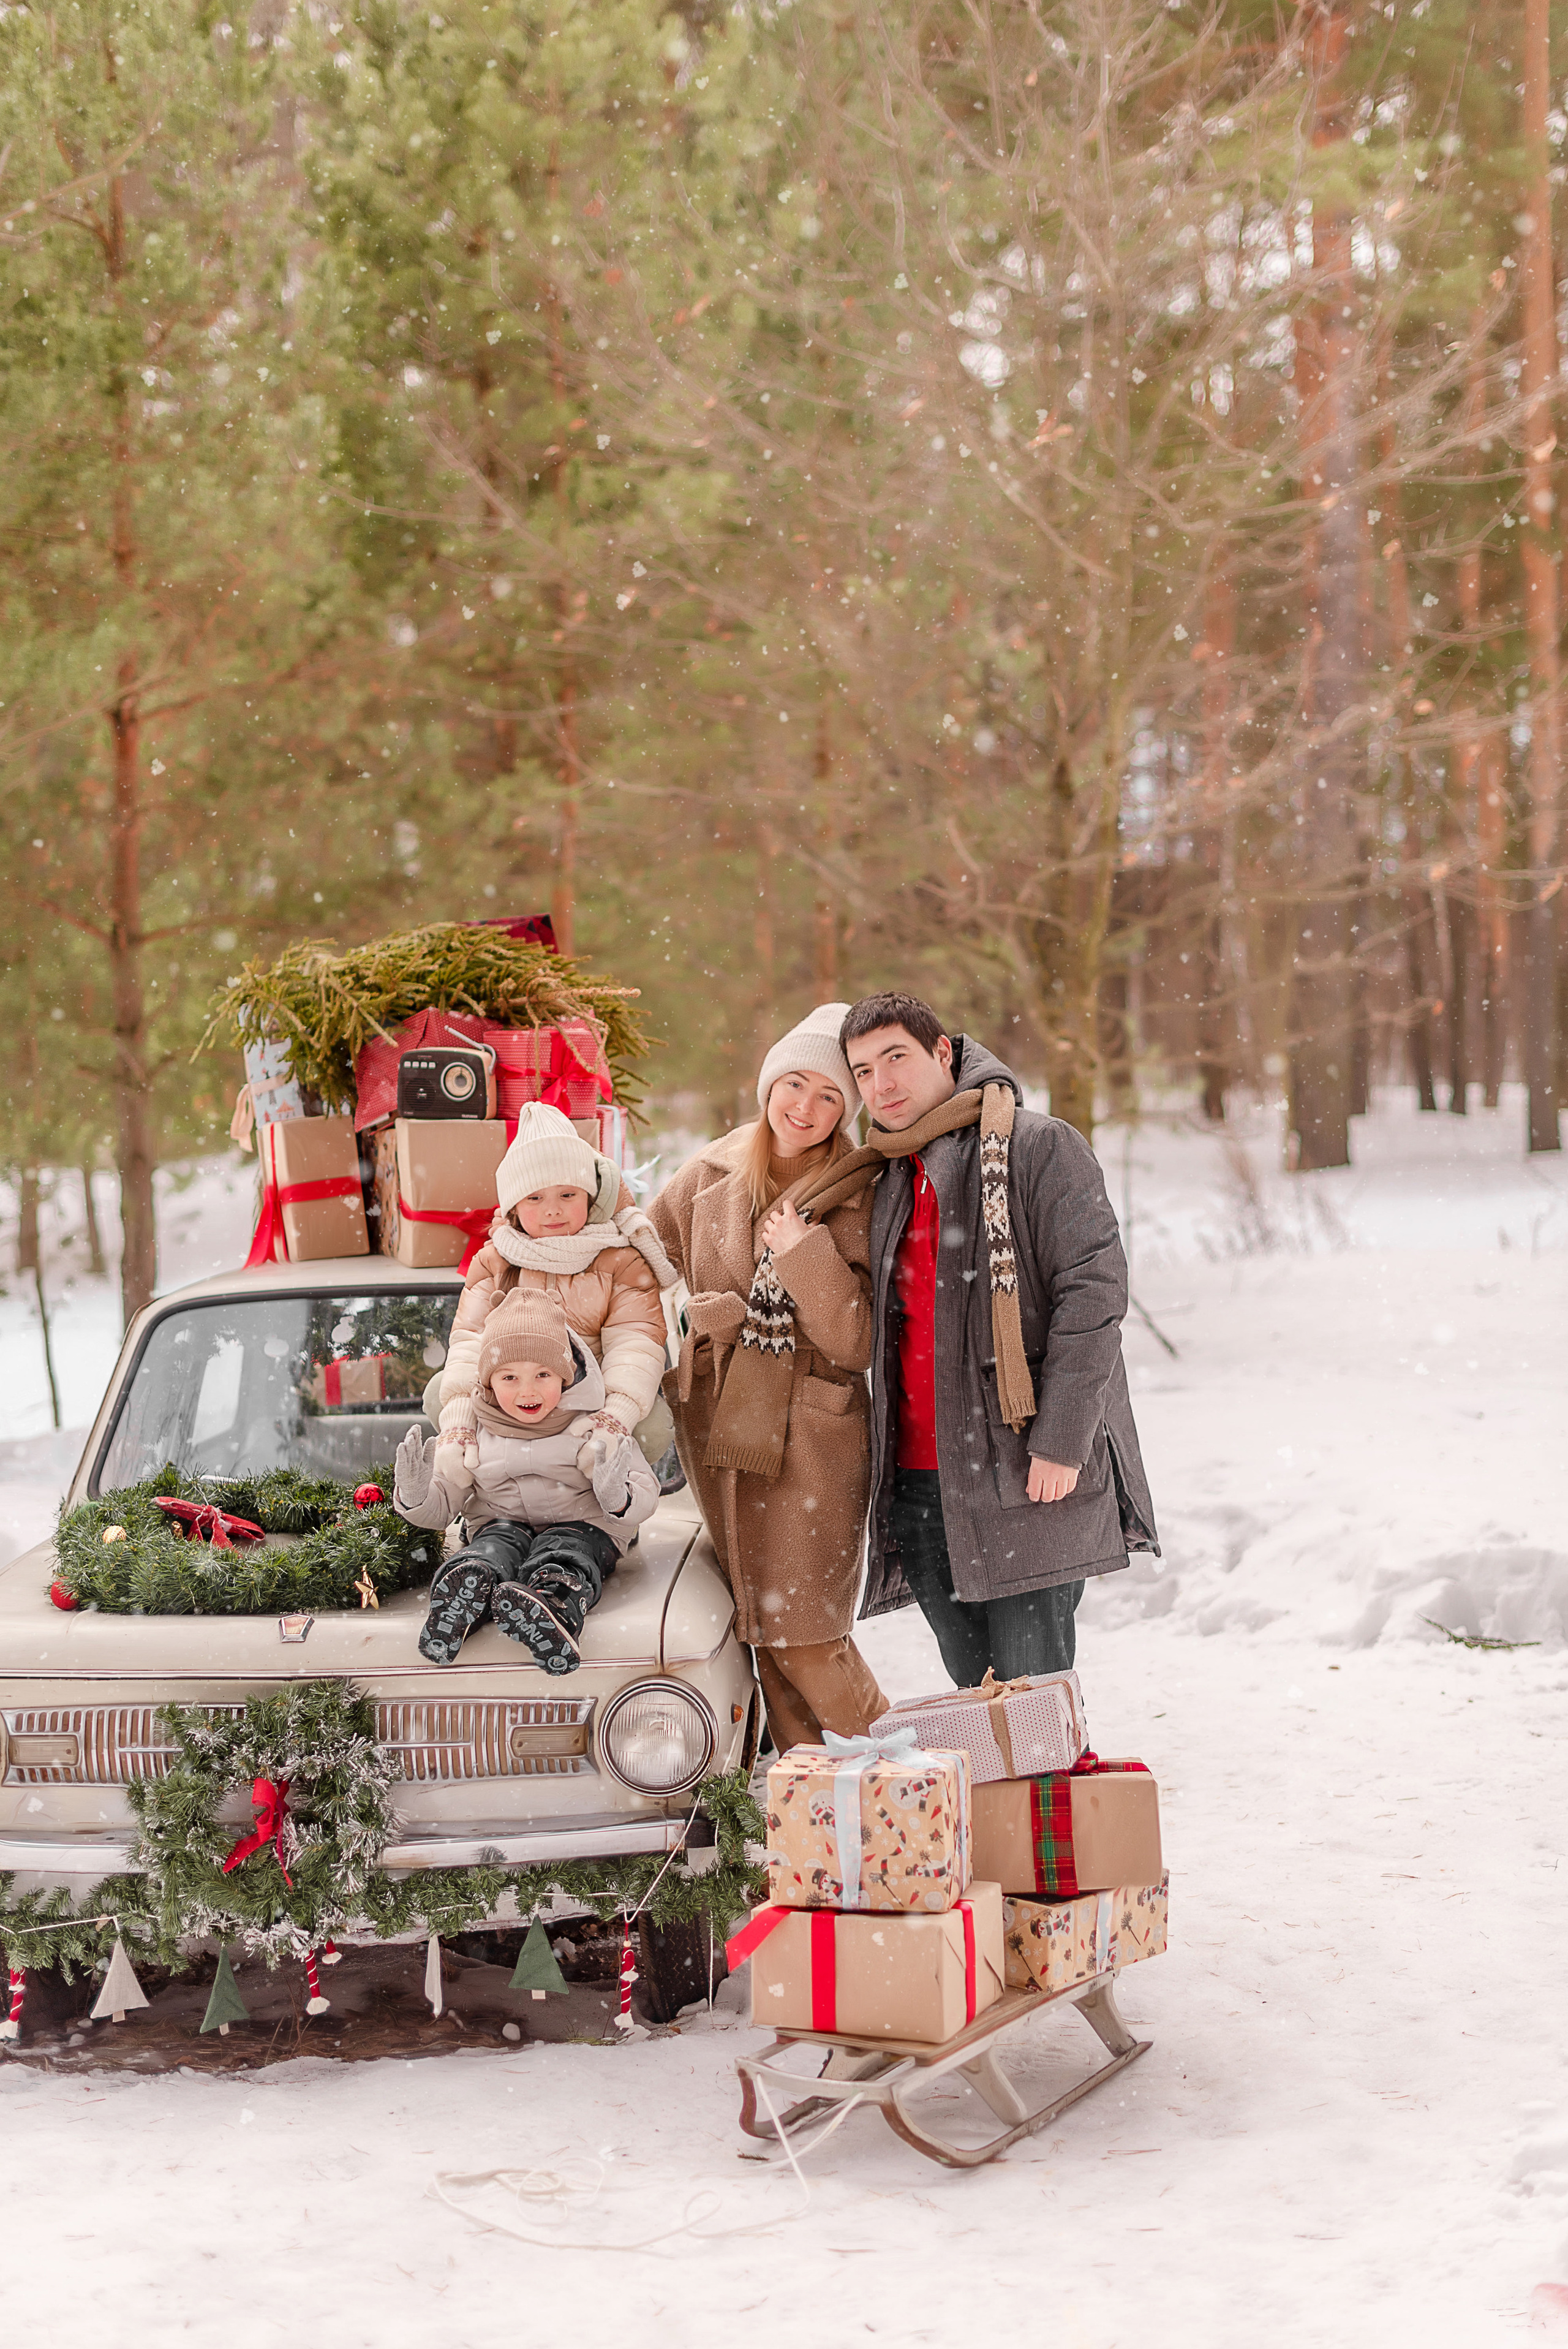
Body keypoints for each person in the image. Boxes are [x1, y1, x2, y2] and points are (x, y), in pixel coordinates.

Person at [838, 990, 1159, 1687]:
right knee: (978, 1698)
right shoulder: (888, 1173)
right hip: (920, 1485)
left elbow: (1094, 1294)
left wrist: (1061, 1439)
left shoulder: (1038, 1147)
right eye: (862, 1071)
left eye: (895, 1058)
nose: (880, 1084)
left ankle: (1052, 1797)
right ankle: (1018, 1798)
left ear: (942, 1052)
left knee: (1031, 1702)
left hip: (1023, 1473)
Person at [648, 1004, 888, 1749]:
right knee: (762, 1639)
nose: (806, 1109)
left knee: (807, 1633)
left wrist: (801, 1256)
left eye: (829, 1097)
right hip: (723, 1429)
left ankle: (904, 1790)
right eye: (794, 1084)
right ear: (768, 1084)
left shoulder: (862, 1190)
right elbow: (643, 1272)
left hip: (813, 1438)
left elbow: (856, 1340)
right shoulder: (705, 1177)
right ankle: (814, 1819)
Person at [396, 1291, 657, 1673]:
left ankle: (553, 1607)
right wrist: (417, 1494)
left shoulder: (594, 1426)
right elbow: (443, 1509)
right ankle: (465, 1595)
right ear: (489, 1380)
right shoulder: (474, 1433)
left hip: (586, 1525)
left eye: (543, 1375)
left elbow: (646, 1494)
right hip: (503, 1525)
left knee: (566, 1549)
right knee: (492, 1547)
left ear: (566, 1376)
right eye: (509, 1377)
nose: (527, 1391)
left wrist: (618, 1495)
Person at [434, 1100, 678, 1460]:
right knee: (440, 1391)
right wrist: (459, 1420)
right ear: (514, 1206)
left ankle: (609, 1503)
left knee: (652, 1424)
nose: (553, 1209)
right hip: (513, 1398)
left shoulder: (620, 1261)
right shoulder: (494, 1261)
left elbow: (635, 1342)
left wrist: (614, 1416)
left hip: (591, 1401)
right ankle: (491, 1491)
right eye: (535, 1198)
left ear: (590, 1198)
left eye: (568, 1194)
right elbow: (472, 1342)